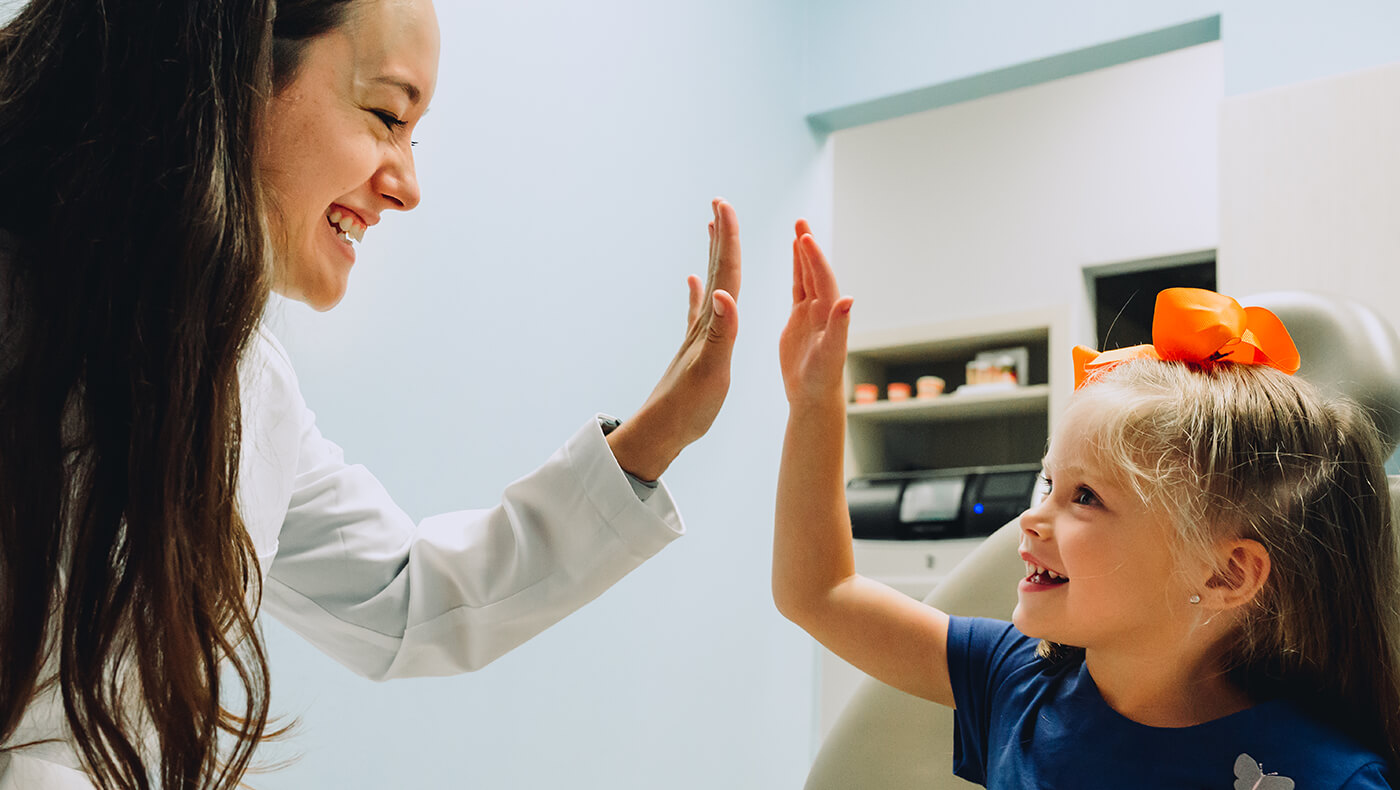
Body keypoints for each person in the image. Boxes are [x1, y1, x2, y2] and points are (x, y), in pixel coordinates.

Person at [0, 1, 741, 788]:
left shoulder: (247, 384)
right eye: (388, 114)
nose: (409, 187)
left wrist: (657, 438)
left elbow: (405, 598)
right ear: (233, 67)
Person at [773, 221, 1400, 788]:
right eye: (1050, 485)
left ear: (1225, 572)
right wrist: (813, 403)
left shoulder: (1325, 779)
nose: (1031, 518)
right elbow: (820, 594)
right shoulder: (1013, 682)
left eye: (1087, 498)